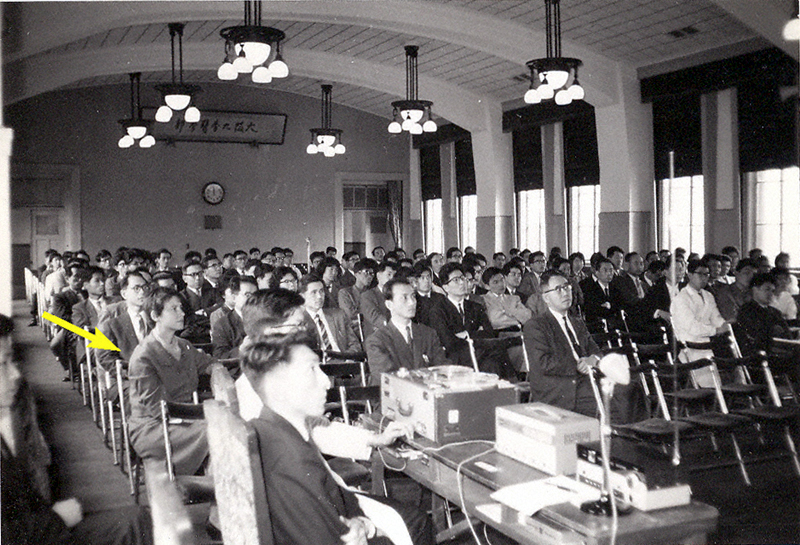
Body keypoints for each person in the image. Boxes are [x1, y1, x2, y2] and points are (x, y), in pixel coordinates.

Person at [239, 332, 433, 545]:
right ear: (277, 386)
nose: (326, 382)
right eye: (312, 370)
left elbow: (340, 505)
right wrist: (375, 532)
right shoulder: (292, 460)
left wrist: (364, 524)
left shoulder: (273, 431)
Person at [1, 314, 154, 545]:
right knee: (135, 524)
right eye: (4, 363)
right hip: (39, 534)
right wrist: (58, 518)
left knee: (137, 519)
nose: (15, 374)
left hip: (40, 529)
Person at [128, 287, 213, 476]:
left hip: (185, 419)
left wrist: (220, 373)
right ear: (155, 315)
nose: (182, 313)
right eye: (173, 309)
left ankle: (215, 488)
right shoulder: (143, 356)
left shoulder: (184, 346)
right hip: (153, 427)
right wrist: (204, 413)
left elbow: (209, 365)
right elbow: (159, 408)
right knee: (217, 430)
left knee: (222, 427)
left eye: (181, 308)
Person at [523, 271, 601, 416]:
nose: (565, 293)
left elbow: (595, 349)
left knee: (630, 388)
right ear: (546, 298)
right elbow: (543, 363)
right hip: (560, 388)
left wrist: (593, 359)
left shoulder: (577, 322)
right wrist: (580, 364)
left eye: (567, 287)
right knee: (612, 399)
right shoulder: (536, 325)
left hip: (585, 381)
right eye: (558, 289)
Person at [428, 263, 512, 378]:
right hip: (455, 359)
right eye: (456, 280)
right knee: (496, 356)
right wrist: (477, 334)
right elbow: (448, 342)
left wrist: (467, 335)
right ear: (445, 287)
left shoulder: (475, 307)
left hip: (479, 356)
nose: (463, 282)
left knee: (493, 362)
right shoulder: (438, 310)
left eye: (463, 278)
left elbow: (489, 333)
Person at [364, 278, 448, 384]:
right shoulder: (377, 340)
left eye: (413, 296)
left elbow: (442, 368)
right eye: (404, 298)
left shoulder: (428, 333)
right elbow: (388, 380)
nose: (412, 302)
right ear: (389, 305)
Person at [671, 259, 728, 367]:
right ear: (690, 275)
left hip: (707, 345)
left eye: (706, 274)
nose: (704, 278)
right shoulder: (681, 298)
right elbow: (692, 327)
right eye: (700, 274)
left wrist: (725, 325)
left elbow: (715, 317)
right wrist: (716, 330)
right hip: (689, 347)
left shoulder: (708, 296)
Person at [734, 272, 794, 357]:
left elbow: (788, 336)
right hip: (760, 356)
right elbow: (756, 338)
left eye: (772, 291)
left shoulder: (775, 312)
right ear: (755, 290)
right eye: (767, 289)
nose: (770, 294)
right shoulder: (746, 311)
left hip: (781, 352)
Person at [300, 275, 361, 354]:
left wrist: (349, 359)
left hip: (343, 361)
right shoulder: (299, 321)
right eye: (313, 292)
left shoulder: (338, 315)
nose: (319, 296)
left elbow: (355, 344)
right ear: (302, 296)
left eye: (321, 291)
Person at [211, 275, 257, 359]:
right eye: (247, 295)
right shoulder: (222, 324)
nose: (253, 299)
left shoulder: (265, 318)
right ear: (234, 297)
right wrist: (241, 349)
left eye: (255, 295)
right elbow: (220, 356)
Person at [579, 257, 620, 330]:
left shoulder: (616, 288)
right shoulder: (590, 289)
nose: (609, 273)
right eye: (605, 270)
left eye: (611, 270)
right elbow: (592, 309)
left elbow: (620, 305)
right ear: (597, 273)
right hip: (597, 327)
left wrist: (609, 306)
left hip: (615, 326)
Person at [359, 261, 396, 339]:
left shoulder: (397, 294)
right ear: (378, 276)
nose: (392, 278)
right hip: (376, 338)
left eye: (394, 275)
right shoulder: (368, 295)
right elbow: (376, 318)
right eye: (389, 274)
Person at [338, 258, 375, 325]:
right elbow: (351, 315)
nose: (370, 276)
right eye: (366, 272)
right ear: (356, 274)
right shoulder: (345, 293)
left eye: (372, 274)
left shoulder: (373, 293)